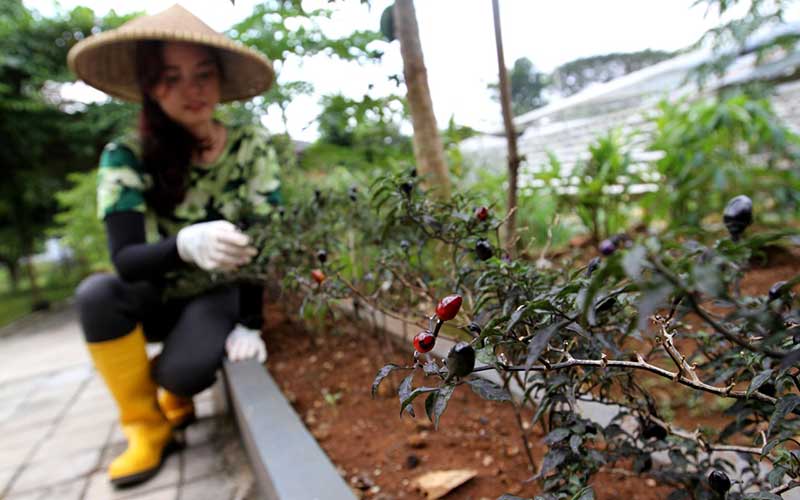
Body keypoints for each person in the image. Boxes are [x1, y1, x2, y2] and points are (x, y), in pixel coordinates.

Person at [67, 4, 279, 488]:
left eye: (204, 74)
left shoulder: (250, 147)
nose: (193, 89)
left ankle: (171, 386)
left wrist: (251, 321)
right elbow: (125, 260)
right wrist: (183, 243)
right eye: (172, 76)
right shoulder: (126, 156)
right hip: (159, 289)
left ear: (220, 79)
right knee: (95, 295)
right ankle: (145, 425)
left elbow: (266, 238)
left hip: (217, 290)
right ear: (148, 84)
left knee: (185, 374)